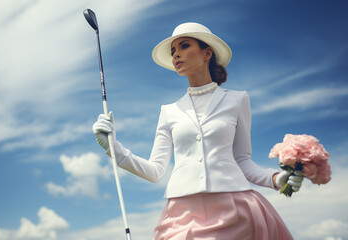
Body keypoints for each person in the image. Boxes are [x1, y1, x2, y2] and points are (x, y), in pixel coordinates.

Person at [92, 22, 304, 240]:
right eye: (173, 51)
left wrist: (279, 179)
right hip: (181, 214)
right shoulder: (168, 111)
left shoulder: (238, 100)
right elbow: (155, 171)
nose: (176, 55)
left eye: (184, 46)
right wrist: (112, 147)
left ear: (207, 53)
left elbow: (242, 160)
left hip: (234, 209)